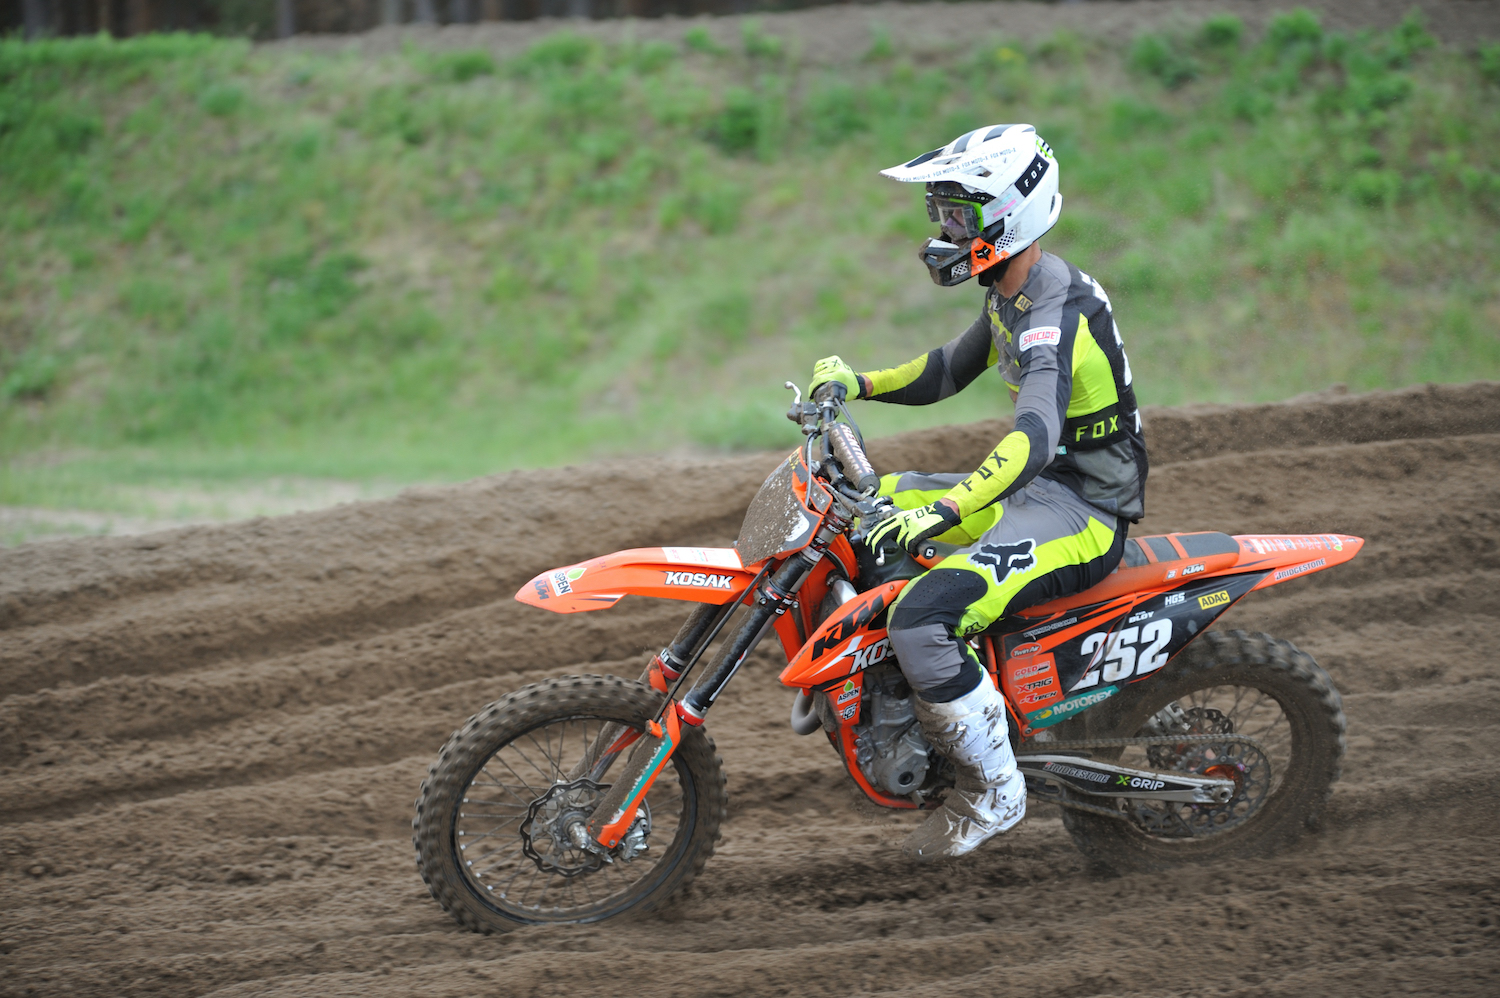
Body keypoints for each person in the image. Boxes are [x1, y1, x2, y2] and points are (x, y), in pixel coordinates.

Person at [809, 124, 1148, 861]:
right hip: (1041, 489)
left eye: (959, 217)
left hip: (1083, 509)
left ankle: (995, 789)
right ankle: (904, 704)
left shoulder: (1053, 313)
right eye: (941, 215)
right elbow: (945, 371)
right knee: (867, 510)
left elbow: (1035, 437)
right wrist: (857, 384)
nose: (946, 232)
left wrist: (947, 508)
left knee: (922, 617)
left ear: (1009, 217)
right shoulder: (1011, 292)